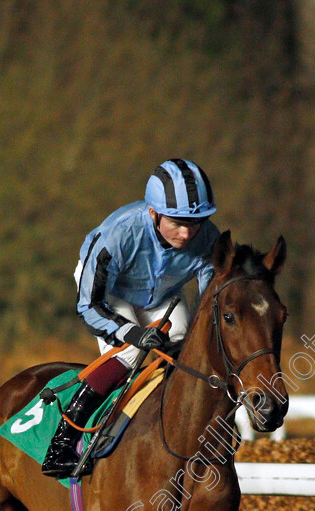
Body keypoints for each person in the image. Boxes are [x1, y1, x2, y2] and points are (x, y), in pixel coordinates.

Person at [42, 158, 221, 477]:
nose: (187, 232)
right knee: (130, 353)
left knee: (184, 347)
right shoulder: (118, 234)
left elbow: (210, 303)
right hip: (109, 292)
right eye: (177, 222)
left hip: (161, 292)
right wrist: (132, 333)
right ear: (153, 213)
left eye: (195, 223)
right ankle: (62, 443)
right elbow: (89, 307)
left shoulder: (207, 239)